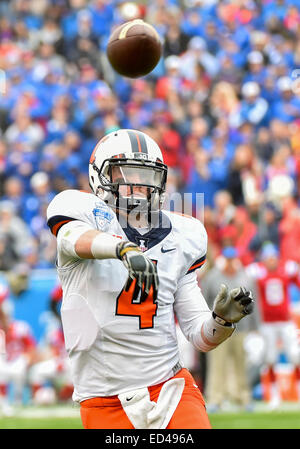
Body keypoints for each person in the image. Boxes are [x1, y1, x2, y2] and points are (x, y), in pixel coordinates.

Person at [46, 128, 254, 429]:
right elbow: (71, 239)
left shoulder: (185, 235)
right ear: (100, 177)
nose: (137, 185)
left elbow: (200, 335)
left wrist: (221, 321)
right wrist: (122, 249)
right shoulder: (80, 211)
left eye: (146, 176)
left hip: (170, 386)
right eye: (125, 174)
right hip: (104, 398)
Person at [201, 246, 259, 412]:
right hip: (219, 328)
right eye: (227, 259)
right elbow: (204, 301)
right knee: (217, 364)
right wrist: (206, 324)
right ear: (222, 260)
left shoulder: (246, 277)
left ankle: (243, 397)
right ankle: (215, 398)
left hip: (242, 328)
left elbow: (255, 304)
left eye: (232, 259)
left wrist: (256, 327)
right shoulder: (212, 278)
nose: (230, 263)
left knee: (241, 364)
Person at [246, 243, 300, 409]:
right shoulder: (258, 272)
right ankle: (274, 395)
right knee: (269, 358)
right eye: (268, 258)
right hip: (267, 323)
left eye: (273, 258)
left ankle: (298, 392)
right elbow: (247, 283)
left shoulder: (287, 269)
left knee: (295, 356)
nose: (271, 261)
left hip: (285, 321)